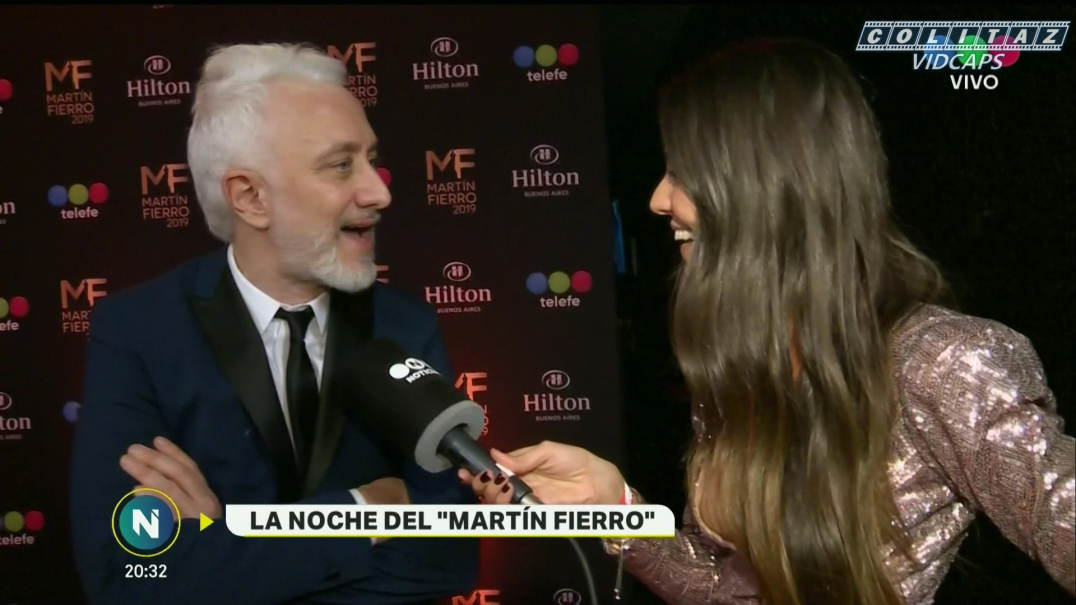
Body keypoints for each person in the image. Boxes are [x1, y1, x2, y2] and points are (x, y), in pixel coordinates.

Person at [462, 39, 1075, 605]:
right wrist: (615, 506)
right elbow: (724, 588)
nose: (657, 199)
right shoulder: (744, 363)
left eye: (681, 172)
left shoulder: (943, 361)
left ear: (763, 186)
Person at [69, 43, 479, 605]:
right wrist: (364, 510)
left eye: (370, 159)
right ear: (250, 197)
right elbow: (127, 577)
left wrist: (224, 536)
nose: (379, 191)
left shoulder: (405, 326)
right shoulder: (137, 331)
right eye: (341, 165)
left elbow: (447, 560)